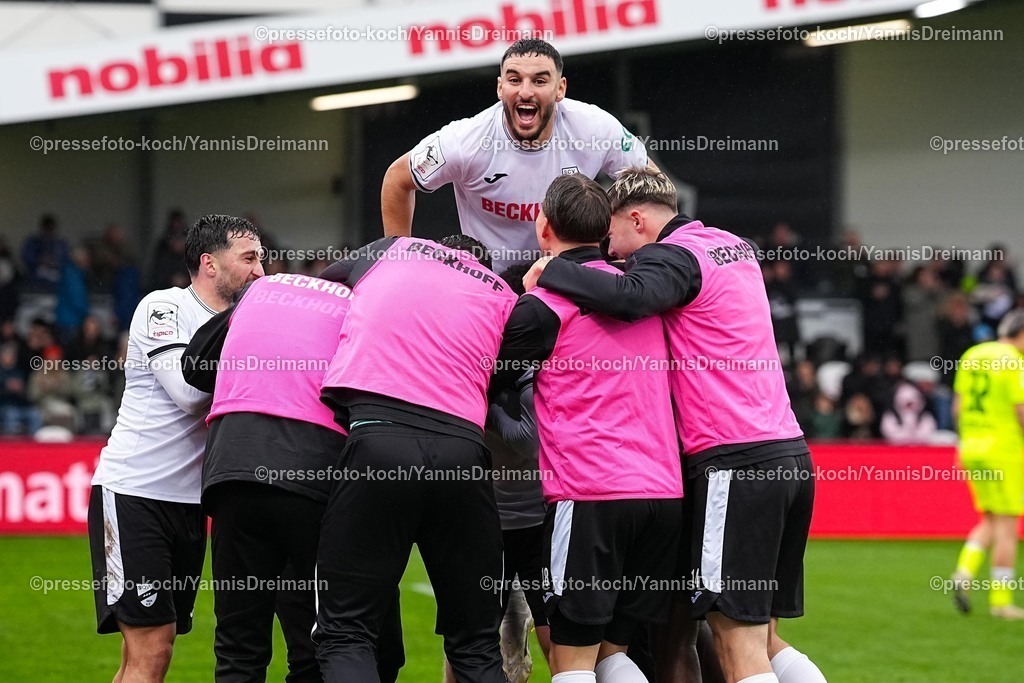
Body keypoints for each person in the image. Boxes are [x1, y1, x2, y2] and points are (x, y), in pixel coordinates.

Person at [524, 168, 826, 683]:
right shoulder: (733, 246)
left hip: (734, 460)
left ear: (637, 218)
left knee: (737, 647)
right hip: (787, 452)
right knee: (767, 638)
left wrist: (550, 271)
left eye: (612, 233)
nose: (610, 250)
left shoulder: (673, 255)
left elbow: (630, 298)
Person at [493, 173, 683, 683]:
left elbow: (488, 379)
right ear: (604, 230)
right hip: (663, 497)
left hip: (593, 494)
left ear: (543, 226)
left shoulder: (543, 307)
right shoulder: (644, 298)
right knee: (614, 656)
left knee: (571, 659)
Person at [182, 270, 405, 682]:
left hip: (234, 465)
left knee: (238, 644)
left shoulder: (265, 289)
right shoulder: (363, 304)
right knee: (328, 641)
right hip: (314, 472)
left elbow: (194, 367)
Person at [313, 234, 516, 683]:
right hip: (463, 450)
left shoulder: (396, 250)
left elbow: (324, 284)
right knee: (477, 645)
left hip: (380, 436)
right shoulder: (501, 293)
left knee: (346, 632)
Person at [88, 215, 263, 682]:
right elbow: (189, 396)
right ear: (209, 262)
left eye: (261, 258)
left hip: (190, 504)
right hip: (135, 494)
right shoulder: (163, 306)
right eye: (248, 258)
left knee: (144, 655)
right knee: (153, 650)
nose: (260, 271)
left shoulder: (246, 321)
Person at [381, 38, 653, 272]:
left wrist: (646, 258)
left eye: (539, 80)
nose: (525, 91)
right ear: (500, 88)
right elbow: (397, 179)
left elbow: (652, 185)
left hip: (569, 279)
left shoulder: (595, 128)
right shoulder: (464, 141)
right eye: (514, 80)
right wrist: (397, 266)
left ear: (560, 89)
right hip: (491, 288)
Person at [443, 262, 551, 683]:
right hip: (490, 516)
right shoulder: (481, 354)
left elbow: (527, 439)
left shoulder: (529, 362)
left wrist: (482, 406)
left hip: (529, 516)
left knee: (539, 626)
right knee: (472, 634)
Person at [950, 310, 1024, 619]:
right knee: (1008, 526)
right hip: (1003, 448)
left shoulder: (972, 354)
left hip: (972, 447)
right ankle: (1001, 602)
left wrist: (964, 442)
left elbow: (957, 407)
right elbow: (1020, 410)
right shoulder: (1013, 362)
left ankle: (963, 573)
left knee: (991, 519)